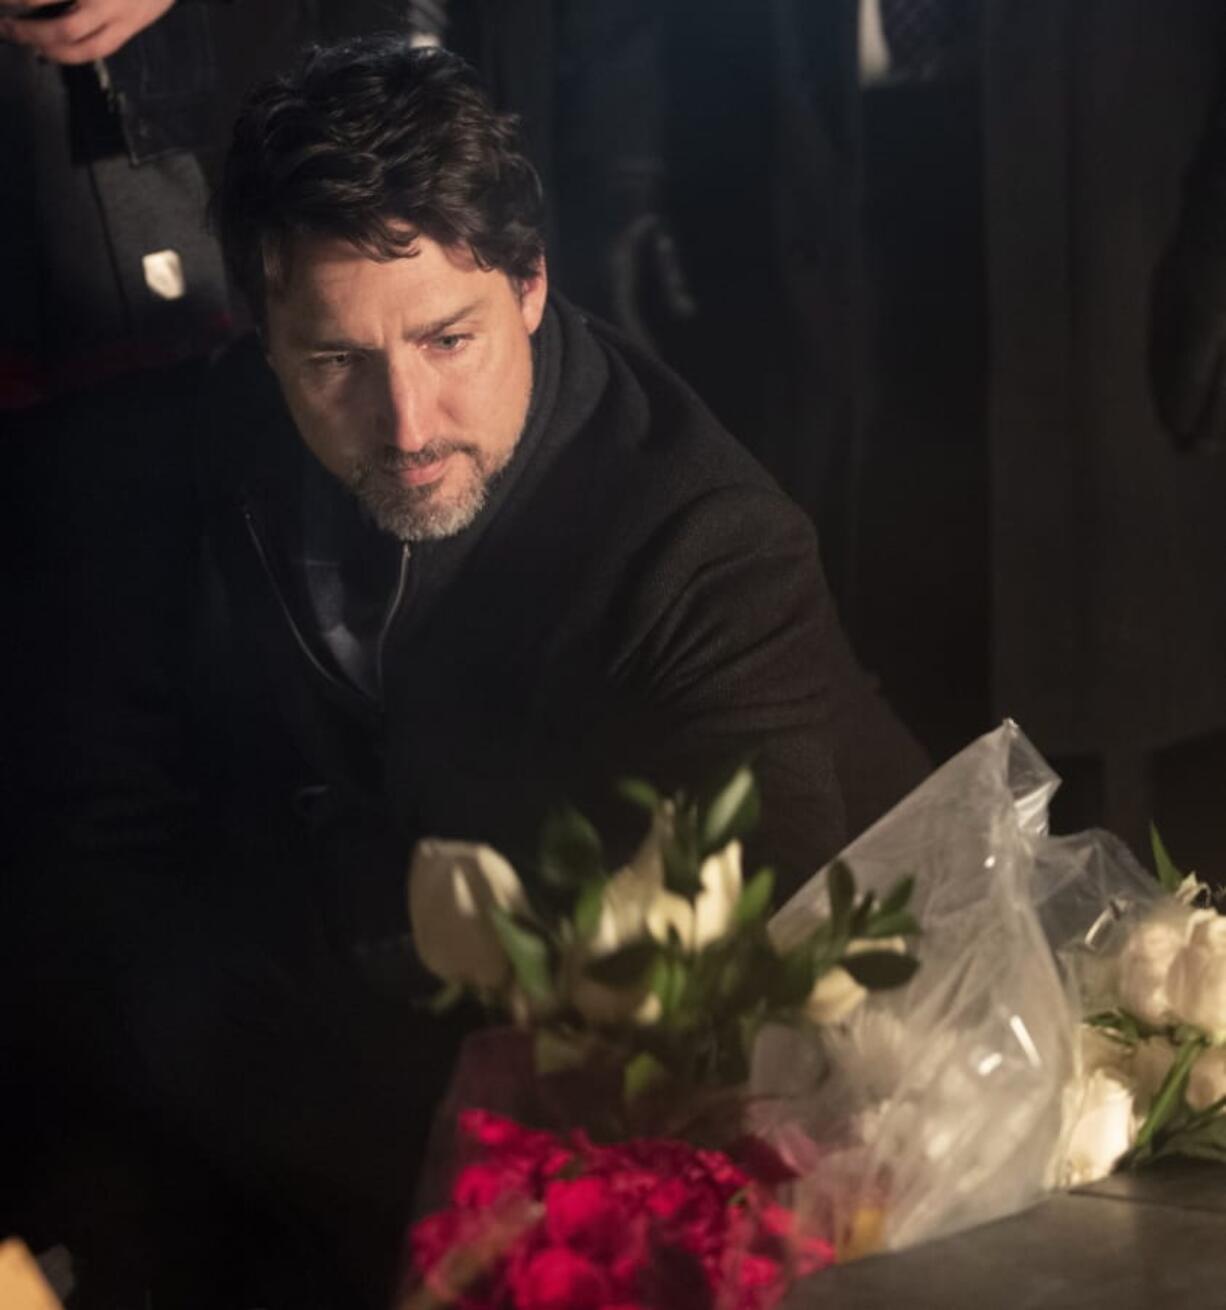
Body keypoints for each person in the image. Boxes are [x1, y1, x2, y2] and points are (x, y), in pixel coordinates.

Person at [17, 33, 928, 1307]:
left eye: (450, 340)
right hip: (348, 1096)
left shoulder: (705, 541)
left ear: (533, 286)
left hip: (808, 1101)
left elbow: (749, 987)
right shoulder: (179, 463)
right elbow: (108, 861)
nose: (406, 424)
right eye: (336, 361)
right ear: (261, 333)